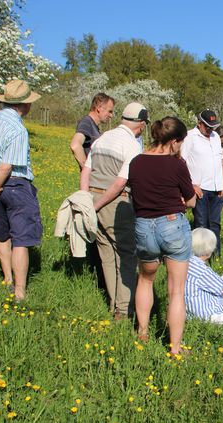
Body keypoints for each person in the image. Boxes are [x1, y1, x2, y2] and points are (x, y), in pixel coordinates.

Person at [128, 117, 196, 354]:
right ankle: (175, 349)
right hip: (172, 225)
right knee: (176, 290)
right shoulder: (177, 165)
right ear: (174, 141)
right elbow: (191, 201)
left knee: (145, 280)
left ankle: (143, 333)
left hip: (143, 226)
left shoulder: (136, 162)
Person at [80, 102, 149, 319]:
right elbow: (120, 183)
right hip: (114, 202)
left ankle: (112, 304)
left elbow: (86, 170)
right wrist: (98, 204)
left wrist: (86, 200)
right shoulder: (132, 146)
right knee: (126, 255)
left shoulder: (102, 139)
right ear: (141, 125)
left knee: (106, 254)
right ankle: (123, 309)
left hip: (91, 197)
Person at [0, 79, 43, 301]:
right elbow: (6, 166)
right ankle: (19, 292)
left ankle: (8, 279)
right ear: (26, 105)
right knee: (21, 239)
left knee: (2, 234)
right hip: (15, 185)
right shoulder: (18, 130)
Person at [180, 109, 223, 254]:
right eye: (207, 126)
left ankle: (215, 256)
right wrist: (191, 185)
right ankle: (199, 257)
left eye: (213, 127)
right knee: (201, 224)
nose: (210, 129)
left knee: (215, 224)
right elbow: (181, 162)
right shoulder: (190, 136)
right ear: (199, 123)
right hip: (200, 189)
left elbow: (220, 160)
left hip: (216, 188)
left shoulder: (216, 137)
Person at [69, 93, 115, 169]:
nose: (111, 115)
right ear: (99, 108)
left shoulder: (94, 126)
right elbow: (75, 145)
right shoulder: (86, 123)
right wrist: (88, 171)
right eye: (109, 111)